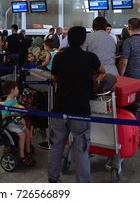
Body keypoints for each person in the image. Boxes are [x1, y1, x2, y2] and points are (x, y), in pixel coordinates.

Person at [48, 26, 105, 183]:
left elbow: (55, 79)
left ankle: (53, 178)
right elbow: (103, 70)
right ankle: (82, 182)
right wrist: (94, 80)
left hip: (59, 108)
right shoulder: (90, 57)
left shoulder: (59, 57)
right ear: (83, 41)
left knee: (56, 146)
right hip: (80, 110)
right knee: (81, 149)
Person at [118, 18, 140, 102]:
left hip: (130, 81)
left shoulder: (128, 42)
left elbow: (123, 63)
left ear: (128, 28)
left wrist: (120, 77)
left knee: (131, 107)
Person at [1, 80, 35, 166]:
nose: (18, 90)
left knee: (27, 132)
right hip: (10, 124)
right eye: (17, 89)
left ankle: (27, 150)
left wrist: (20, 108)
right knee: (22, 135)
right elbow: (4, 116)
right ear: (12, 91)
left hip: (16, 122)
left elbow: (16, 107)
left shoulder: (14, 100)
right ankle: (21, 155)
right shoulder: (8, 103)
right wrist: (16, 115)